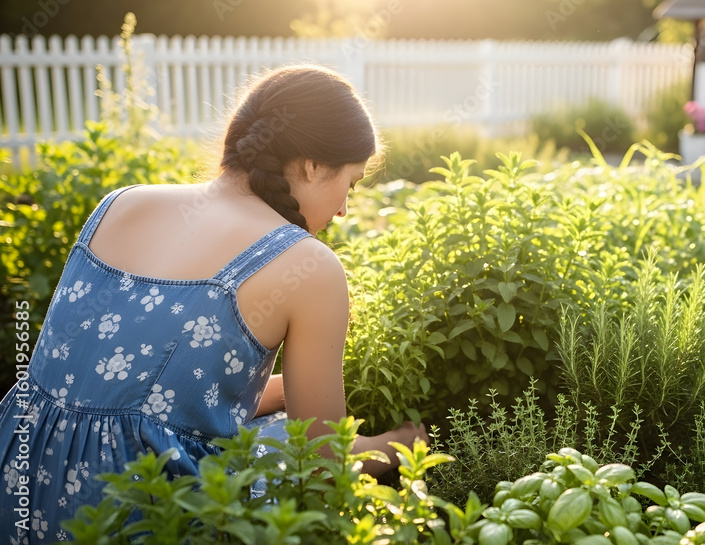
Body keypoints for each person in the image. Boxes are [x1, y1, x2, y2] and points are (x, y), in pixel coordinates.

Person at [0, 64, 428, 542]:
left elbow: (124, 401)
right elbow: (322, 466)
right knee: (276, 447)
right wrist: (398, 445)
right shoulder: (307, 264)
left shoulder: (120, 204)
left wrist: (282, 389)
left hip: (20, 484)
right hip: (137, 512)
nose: (345, 208)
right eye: (350, 184)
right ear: (310, 165)